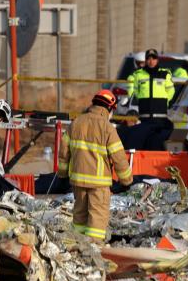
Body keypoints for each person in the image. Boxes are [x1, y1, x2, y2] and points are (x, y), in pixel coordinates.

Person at [57, 89, 133, 242]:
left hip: (78, 181)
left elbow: (63, 152)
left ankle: (75, 246)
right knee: (97, 221)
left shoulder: (76, 123)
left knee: (79, 217)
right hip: (99, 184)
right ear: (109, 109)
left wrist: (62, 175)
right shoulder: (107, 128)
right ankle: (93, 250)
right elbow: (119, 158)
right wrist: (127, 181)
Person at [125, 48, 175, 150]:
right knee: (144, 142)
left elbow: (171, 92)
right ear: (146, 60)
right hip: (145, 116)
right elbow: (134, 92)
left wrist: (164, 102)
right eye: (149, 58)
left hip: (160, 117)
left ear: (157, 60)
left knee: (158, 142)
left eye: (154, 58)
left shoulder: (165, 73)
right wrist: (142, 99)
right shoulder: (138, 75)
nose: (151, 61)